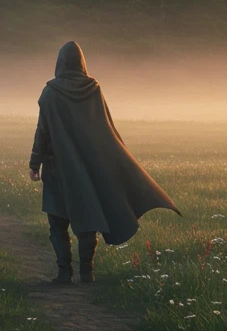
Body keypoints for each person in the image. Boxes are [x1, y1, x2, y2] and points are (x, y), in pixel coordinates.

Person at [28, 41, 179, 284]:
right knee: (88, 218)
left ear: (60, 63)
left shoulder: (50, 93)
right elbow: (103, 129)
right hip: (89, 167)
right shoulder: (93, 89)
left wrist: (35, 163)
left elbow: (42, 131)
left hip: (57, 169)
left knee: (57, 220)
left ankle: (64, 273)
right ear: (82, 63)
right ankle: (87, 273)